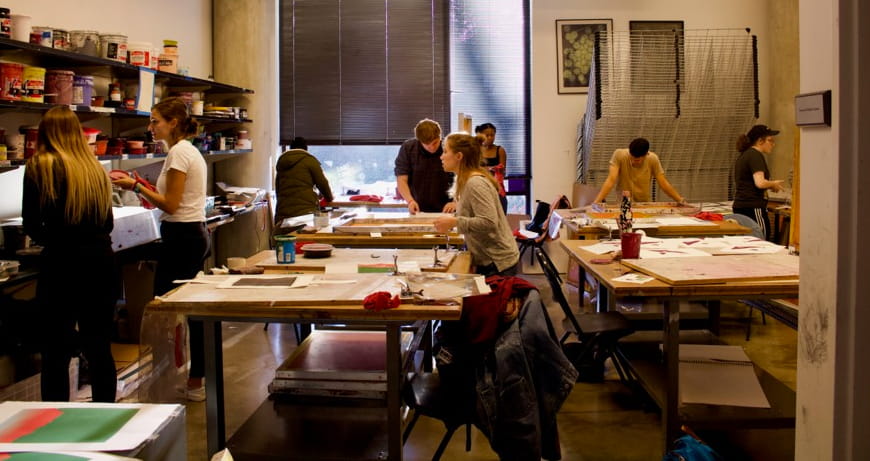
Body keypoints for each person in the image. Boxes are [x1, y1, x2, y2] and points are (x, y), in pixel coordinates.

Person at [113, 97, 210, 401]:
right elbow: (169, 199)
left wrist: (135, 187)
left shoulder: (180, 153)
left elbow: (171, 204)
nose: (150, 126)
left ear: (174, 124)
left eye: (155, 121)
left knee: (166, 312)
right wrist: (144, 186)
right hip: (187, 233)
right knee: (186, 310)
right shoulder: (183, 151)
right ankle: (192, 380)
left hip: (182, 237)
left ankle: (183, 381)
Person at [22, 105, 118, 403]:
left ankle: (57, 420)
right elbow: (108, 223)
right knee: (99, 346)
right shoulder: (94, 169)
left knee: (55, 350)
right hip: (101, 263)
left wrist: (54, 238)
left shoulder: (40, 166)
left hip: (62, 265)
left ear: (46, 133)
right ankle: (107, 416)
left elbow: (31, 224)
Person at [434, 133, 519, 276]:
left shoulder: (475, 183)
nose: (441, 156)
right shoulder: (464, 179)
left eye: (445, 151)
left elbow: (488, 222)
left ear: (459, 156)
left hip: (498, 262)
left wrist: (454, 221)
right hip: (488, 260)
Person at [592, 137, 688, 204]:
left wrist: (680, 200)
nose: (633, 161)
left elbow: (663, 183)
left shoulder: (652, 159)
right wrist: (596, 202)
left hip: (644, 204)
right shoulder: (619, 155)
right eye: (631, 157)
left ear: (646, 155)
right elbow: (611, 180)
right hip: (623, 204)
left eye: (637, 160)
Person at [732, 124, 784, 240]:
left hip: (741, 205)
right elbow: (760, 183)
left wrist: (769, 185)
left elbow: (750, 181)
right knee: (761, 239)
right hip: (753, 206)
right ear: (760, 141)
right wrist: (773, 184)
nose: (773, 145)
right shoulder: (755, 155)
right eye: (770, 141)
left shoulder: (745, 155)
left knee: (746, 242)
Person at [395, 119, 455, 214]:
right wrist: (410, 201)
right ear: (419, 141)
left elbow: (462, 178)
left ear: (440, 136)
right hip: (418, 208)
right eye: (427, 144)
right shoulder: (408, 148)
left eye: (435, 142)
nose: (431, 147)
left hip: (448, 209)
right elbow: (402, 179)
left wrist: (456, 202)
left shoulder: (449, 148)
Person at [274, 136, 333, 228]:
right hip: (305, 213)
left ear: (291, 148)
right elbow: (322, 183)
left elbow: (278, 189)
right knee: (305, 240)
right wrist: (329, 198)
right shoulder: (309, 160)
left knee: (289, 240)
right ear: (306, 148)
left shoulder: (281, 163)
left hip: (283, 214)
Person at [475, 123, 508, 212]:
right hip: (480, 189)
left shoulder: (500, 150)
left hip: (497, 189)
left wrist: (488, 169)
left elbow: (503, 171)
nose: (490, 137)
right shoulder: (476, 150)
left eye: (492, 135)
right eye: (487, 135)